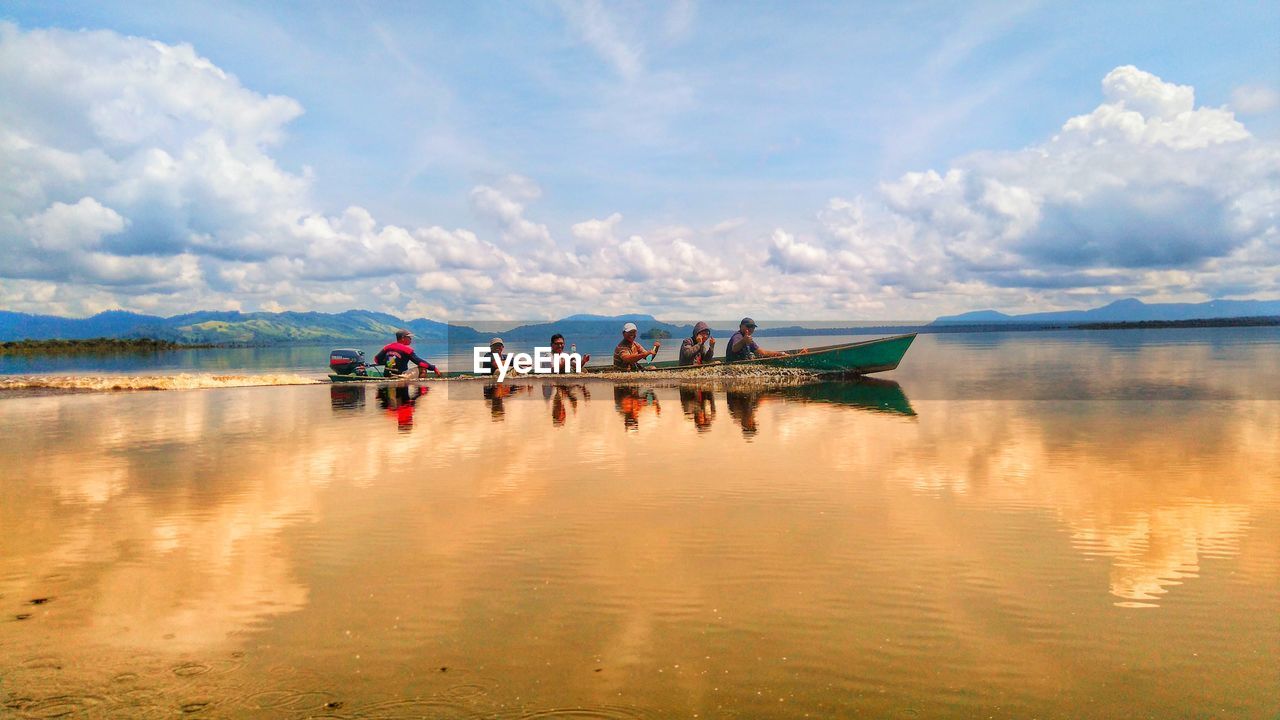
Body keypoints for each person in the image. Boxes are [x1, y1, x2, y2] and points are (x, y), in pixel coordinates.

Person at [725, 317, 804, 362]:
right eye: (748, 326)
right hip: (733, 365)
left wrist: (781, 354)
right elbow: (734, 348)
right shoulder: (738, 336)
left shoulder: (748, 339)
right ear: (741, 326)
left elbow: (762, 353)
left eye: (752, 327)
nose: (750, 329)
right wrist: (743, 341)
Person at [375, 329, 442, 377]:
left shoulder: (387, 347)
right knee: (422, 368)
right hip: (401, 375)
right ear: (403, 338)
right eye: (409, 337)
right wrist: (433, 368)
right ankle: (422, 390)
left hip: (387, 375)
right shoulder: (407, 349)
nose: (411, 339)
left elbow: (376, 359)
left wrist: (388, 362)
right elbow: (420, 362)